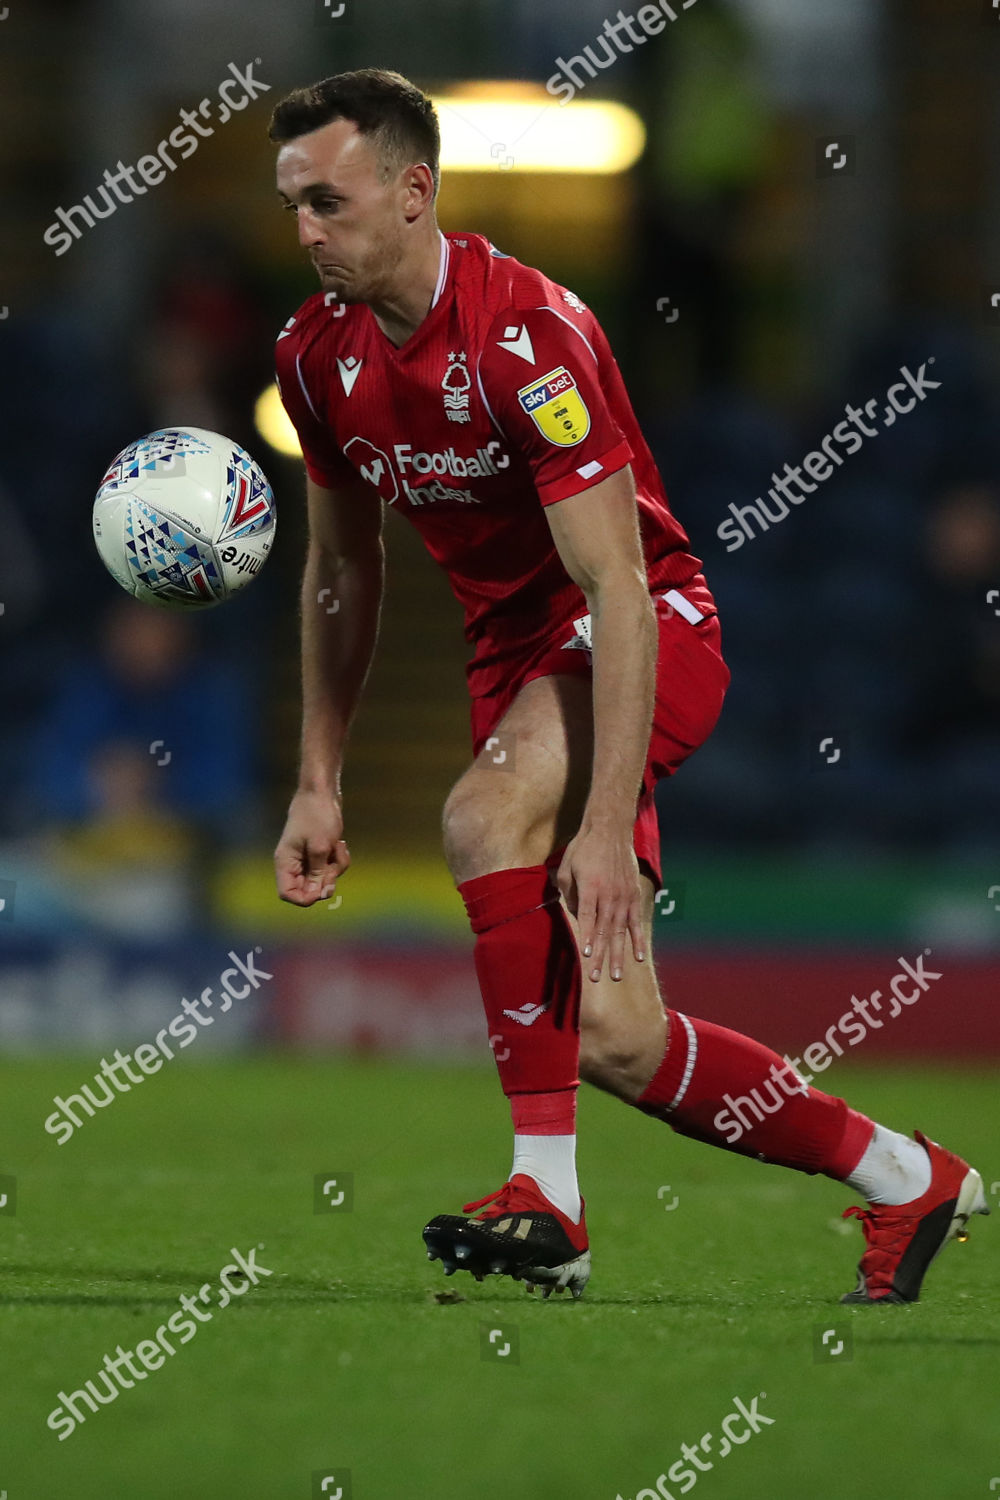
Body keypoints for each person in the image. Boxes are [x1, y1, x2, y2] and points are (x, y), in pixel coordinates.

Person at [269, 69, 987, 1303]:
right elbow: (341, 574)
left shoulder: (527, 337)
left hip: (645, 632)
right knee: (613, 1036)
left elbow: (614, 586)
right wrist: (318, 779)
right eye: (290, 204)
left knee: (478, 818)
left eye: (326, 201)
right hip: (519, 668)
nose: (303, 232)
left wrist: (602, 829)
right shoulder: (312, 358)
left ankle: (548, 1203)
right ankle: (904, 1175)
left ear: (411, 192)